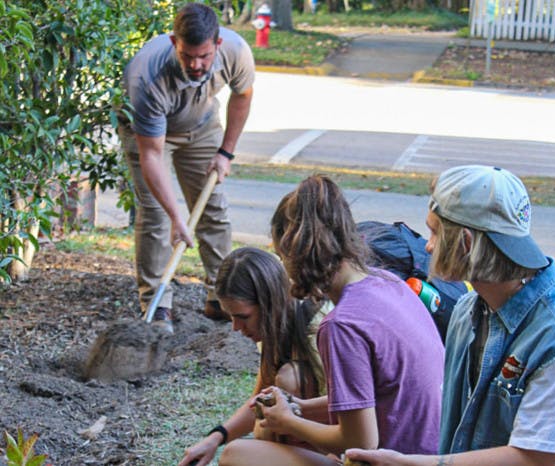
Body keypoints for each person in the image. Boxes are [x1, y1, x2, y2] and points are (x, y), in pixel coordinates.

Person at [345, 165, 555, 466]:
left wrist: (408, 463)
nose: (428, 246)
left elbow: (534, 457)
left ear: (466, 243)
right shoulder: (466, 312)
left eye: (434, 232)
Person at [218, 175, 444, 466]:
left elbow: (361, 441)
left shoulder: (341, 325)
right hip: (432, 455)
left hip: (393, 459)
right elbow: (375, 398)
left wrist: (290, 422)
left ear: (297, 250)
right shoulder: (388, 282)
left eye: (281, 255)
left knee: (237, 455)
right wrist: (300, 408)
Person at [119, 3, 255, 332]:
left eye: (204, 56)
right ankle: (156, 306)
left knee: (213, 209)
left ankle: (220, 298)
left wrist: (226, 152)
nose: (196, 64)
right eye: (187, 56)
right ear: (173, 42)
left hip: (203, 126)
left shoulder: (236, 51)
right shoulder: (146, 76)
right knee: (155, 213)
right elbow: (151, 155)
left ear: (217, 45)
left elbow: (243, 95)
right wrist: (177, 218)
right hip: (150, 137)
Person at [178, 247, 328, 466]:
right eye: (231, 317)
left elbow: (353, 411)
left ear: (268, 303)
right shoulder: (278, 325)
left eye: (243, 317)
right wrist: (215, 437)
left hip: (359, 450)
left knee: (287, 383)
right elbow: (258, 400)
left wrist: (291, 412)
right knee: (260, 426)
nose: (236, 327)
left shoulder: (319, 331)